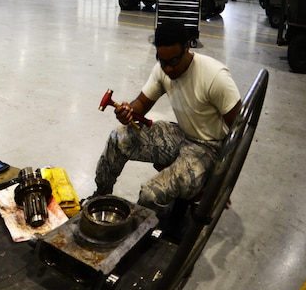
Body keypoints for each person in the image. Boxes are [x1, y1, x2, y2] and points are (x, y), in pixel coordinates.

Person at [93, 20, 242, 217]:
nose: (168, 69)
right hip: (182, 135)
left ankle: (145, 230)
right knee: (118, 139)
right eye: (162, 61)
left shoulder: (215, 77)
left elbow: (239, 131)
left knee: (151, 194)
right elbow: (142, 103)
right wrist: (129, 111)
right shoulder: (162, 69)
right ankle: (99, 199)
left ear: (187, 47)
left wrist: (222, 180)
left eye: (173, 62)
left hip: (209, 147)